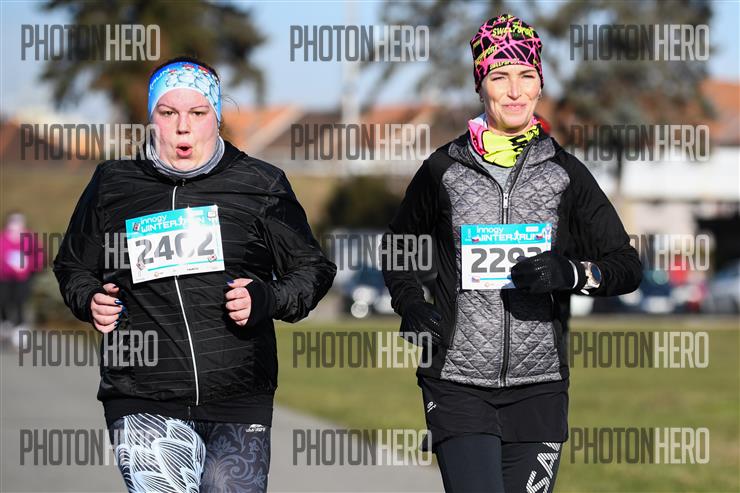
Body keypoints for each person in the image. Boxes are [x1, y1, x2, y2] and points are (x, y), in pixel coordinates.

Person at [382, 14, 642, 493]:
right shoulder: (442, 169)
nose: (515, 91)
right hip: (456, 381)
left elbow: (626, 266)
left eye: (526, 75)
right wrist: (411, 303)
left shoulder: (566, 173)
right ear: (480, 85)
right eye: (500, 77)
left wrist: (570, 272)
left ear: (541, 84)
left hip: (540, 387)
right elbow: (397, 244)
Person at [54, 56, 336, 493]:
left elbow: (312, 269)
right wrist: (89, 298)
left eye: (198, 112)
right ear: (152, 118)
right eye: (168, 113)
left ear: (217, 117)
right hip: (142, 394)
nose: (182, 127)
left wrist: (266, 298)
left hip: (238, 395)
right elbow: (73, 263)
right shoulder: (113, 184)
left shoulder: (260, 183)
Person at [0, 212, 44, 347]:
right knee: (3, 300)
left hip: (23, 277)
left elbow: (39, 256)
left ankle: (20, 327)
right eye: (13, 221)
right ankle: (5, 322)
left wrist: (30, 265)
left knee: (20, 301)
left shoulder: (30, 239)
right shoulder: (2, 238)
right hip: (4, 277)